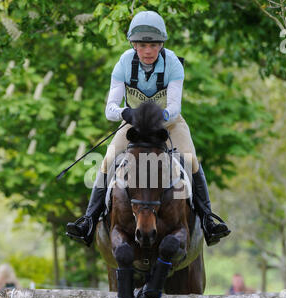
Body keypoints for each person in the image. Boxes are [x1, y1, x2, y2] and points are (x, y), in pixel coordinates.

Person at [66, 10, 230, 247]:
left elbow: (173, 108)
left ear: (161, 44)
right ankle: (88, 221)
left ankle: (208, 221)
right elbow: (109, 109)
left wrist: (156, 116)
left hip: (169, 124)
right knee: (107, 160)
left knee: (191, 159)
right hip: (133, 124)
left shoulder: (173, 64)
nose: (148, 51)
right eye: (142, 45)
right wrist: (126, 112)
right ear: (134, 44)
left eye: (153, 45)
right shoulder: (123, 63)